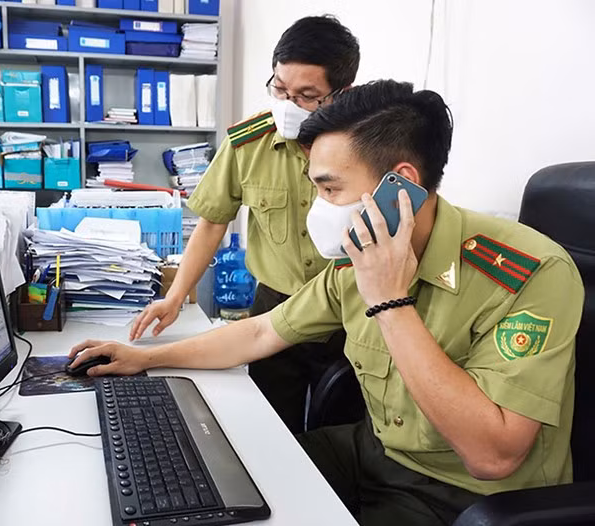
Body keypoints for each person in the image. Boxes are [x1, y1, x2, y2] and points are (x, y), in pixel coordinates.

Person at [69, 80, 584, 525]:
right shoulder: (357, 258)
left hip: (465, 496)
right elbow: (262, 332)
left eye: (330, 189)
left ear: (398, 186)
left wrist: (391, 301)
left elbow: (492, 456)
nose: (320, 209)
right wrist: (145, 359)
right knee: (218, 476)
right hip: (375, 450)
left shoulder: (530, 272)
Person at [129, 15, 361, 433]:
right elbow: (212, 223)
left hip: (352, 314)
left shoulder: (365, 149)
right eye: (280, 88)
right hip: (275, 306)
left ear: (342, 95)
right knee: (272, 426)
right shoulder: (247, 143)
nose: (289, 104)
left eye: (308, 96)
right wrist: (175, 296)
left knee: (343, 430)